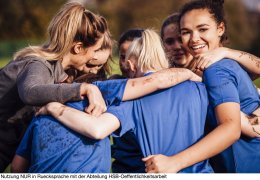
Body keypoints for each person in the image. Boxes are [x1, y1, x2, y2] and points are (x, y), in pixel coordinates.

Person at [29, 29, 213, 173]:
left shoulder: (131, 102)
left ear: (132, 65)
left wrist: (54, 107)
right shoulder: (199, 87)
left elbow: (97, 129)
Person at [144, 0, 260, 173]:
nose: (194, 38)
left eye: (203, 29)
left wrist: (174, 163)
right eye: (186, 32)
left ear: (220, 29)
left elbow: (231, 128)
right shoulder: (210, 70)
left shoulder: (216, 69)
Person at [0, 2, 112, 172]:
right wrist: (84, 88)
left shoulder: (57, 72)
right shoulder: (38, 64)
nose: (94, 56)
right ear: (78, 48)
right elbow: (31, 92)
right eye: (94, 50)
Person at [111, 28, 146, 173]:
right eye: (123, 56)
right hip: (123, 168)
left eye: (132, 57)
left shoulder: (162, 86)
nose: (126, 64)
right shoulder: (113, 87)